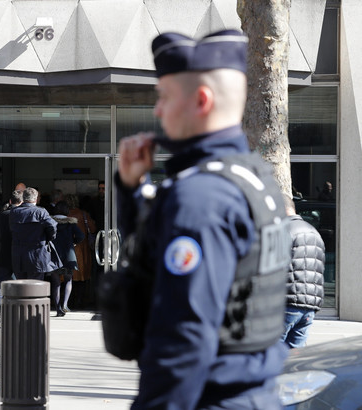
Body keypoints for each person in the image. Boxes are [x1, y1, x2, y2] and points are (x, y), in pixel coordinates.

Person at [116, 30, 289, 408]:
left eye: (164, 98)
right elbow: (153, 263)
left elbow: (184, 336)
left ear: (201, 99)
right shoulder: (253, 177)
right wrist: (131, 190)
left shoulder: (201, 197)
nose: (157, 111)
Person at [281, 195, 325, 348]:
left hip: (286, 302)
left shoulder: (282, 230)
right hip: (309, 306)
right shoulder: (314, 232)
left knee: (271, 355)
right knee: (295, 359)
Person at [9, 187, 59, 280]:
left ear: (23, 198)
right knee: (35, 288)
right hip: (37, 254)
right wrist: (48, 238)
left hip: (19, 255)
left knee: (21, 287)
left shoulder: (14, 212)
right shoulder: (40, 212)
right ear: (36, 199)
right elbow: (52, 227)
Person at [0, 190, 23, 322]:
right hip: (17, 252)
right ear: (22, 202)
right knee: (21, 283)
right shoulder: (19, 214)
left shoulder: (2, 215)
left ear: (9, 201)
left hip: (3, 253)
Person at [50, 200, 84, 316]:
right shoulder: (71, 223)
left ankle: (58, 307)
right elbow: (81, 236)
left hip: (54, 255)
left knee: (56, 282)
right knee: (68, 279)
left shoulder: (50, 221)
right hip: (68, 255)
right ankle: (65, 304)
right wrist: (73, 242)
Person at [65, 193, 96, 310]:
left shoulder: (64, 215)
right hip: (82, 250)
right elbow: (92, 229)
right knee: (82, 278)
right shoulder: (84, 214)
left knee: (68, 277)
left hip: (68, 249)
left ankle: (68, 301)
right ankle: (80, 301)